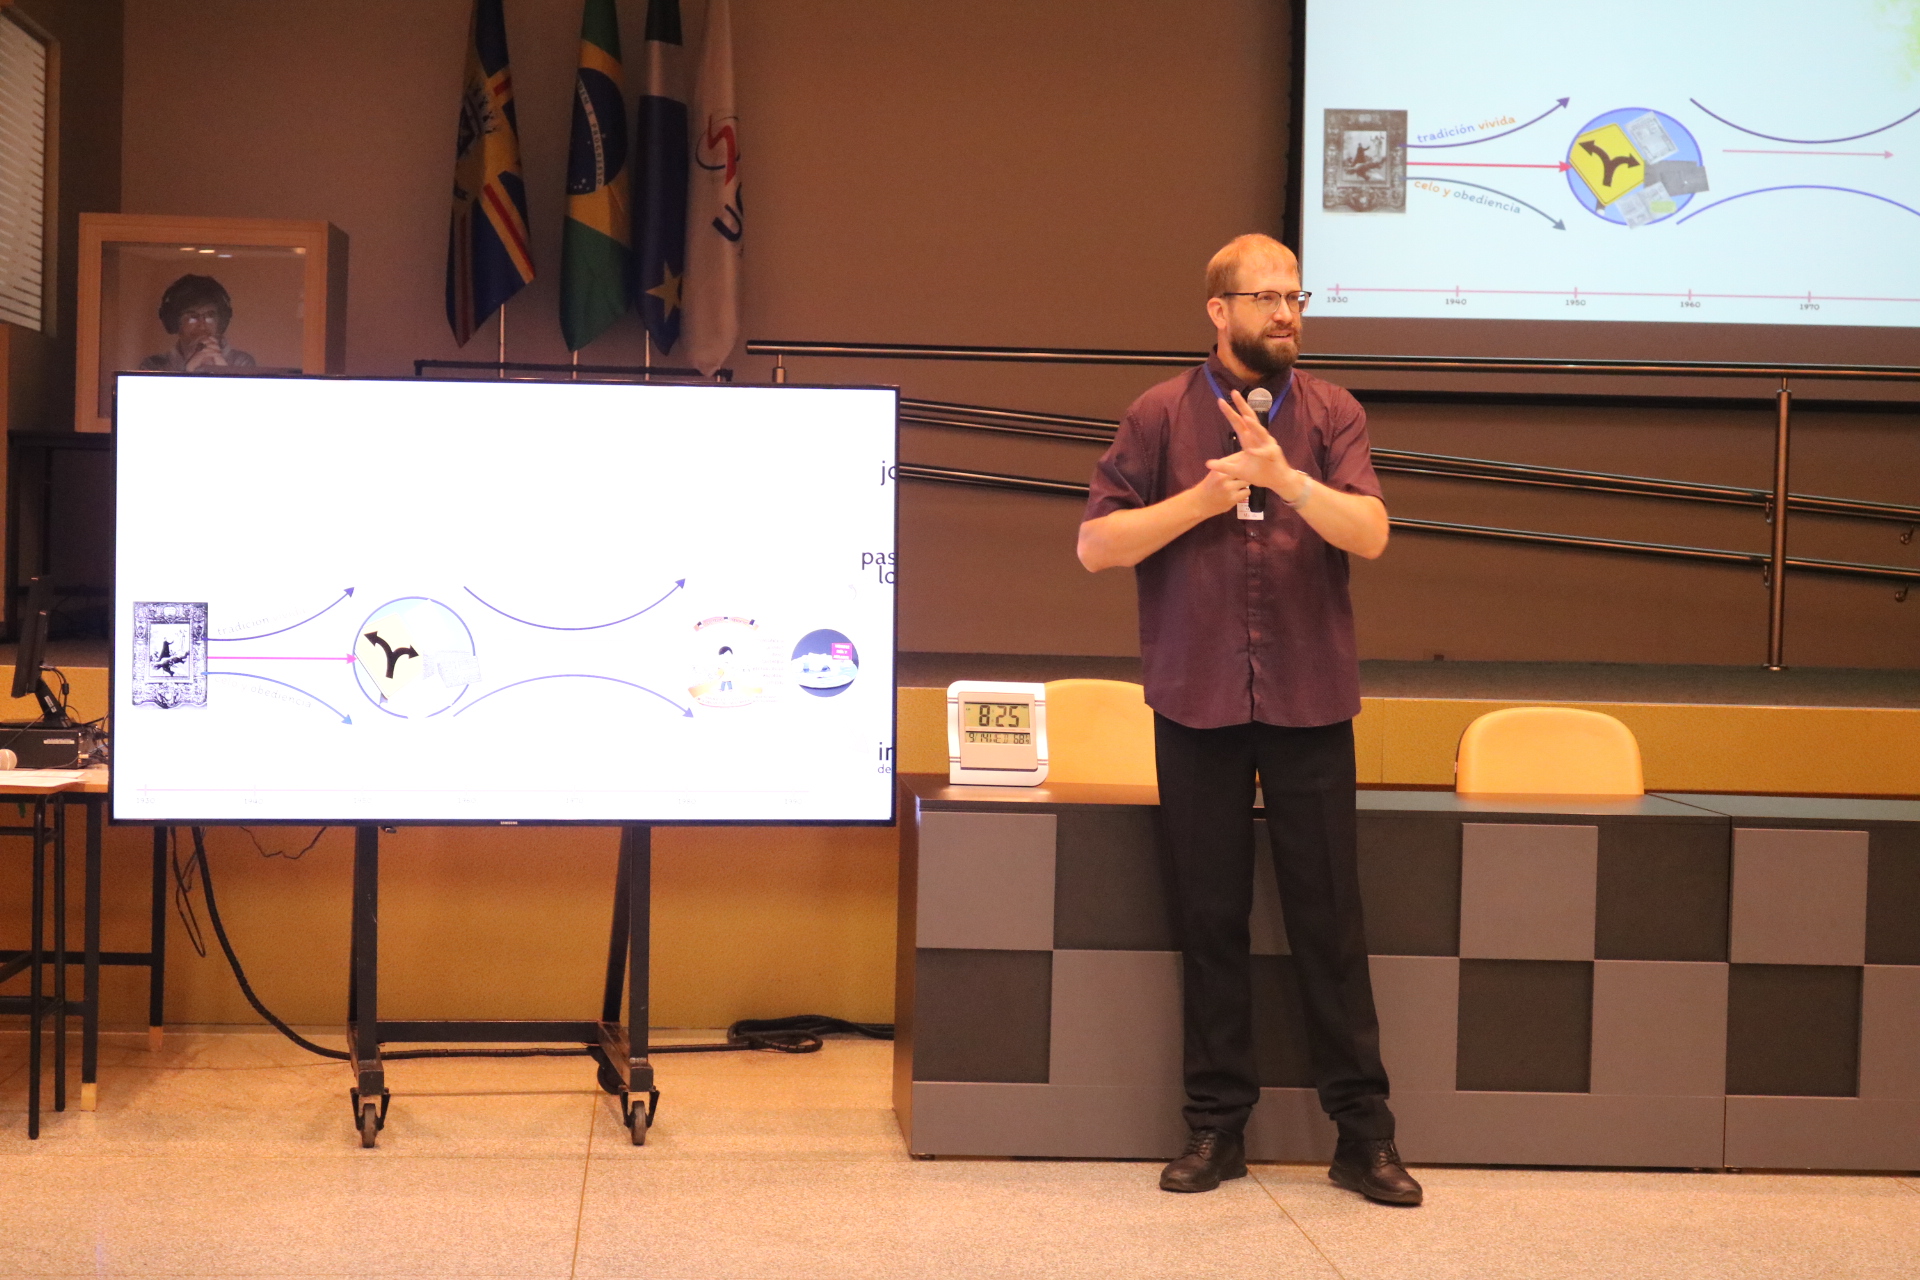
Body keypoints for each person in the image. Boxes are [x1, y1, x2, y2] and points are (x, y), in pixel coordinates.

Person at [1076, 233, 1421, 1207]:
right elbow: (1096, 545)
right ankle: (1215, 1127)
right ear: (1218, 310)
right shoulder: (1158, 414)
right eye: (1266, 297)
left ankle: (1364, 1135)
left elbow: (1372, 532)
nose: (1286, 313)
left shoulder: (1333, 413)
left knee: (1329, 922)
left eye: (1295, 296)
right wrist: (1203, 496)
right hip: (1196, 696)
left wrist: (1287, 479)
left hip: (1310, 697)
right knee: (1210, 919)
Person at [140, 274, 256, 372]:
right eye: (192, 317)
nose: (202, 324)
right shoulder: (154, 365)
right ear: (174, 321)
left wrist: (222, 370)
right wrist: (188, 370)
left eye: (210, 316)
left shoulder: (242, 362)